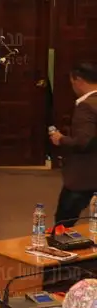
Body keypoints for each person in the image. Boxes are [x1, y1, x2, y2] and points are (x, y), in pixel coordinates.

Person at [50, 61, 97, 226]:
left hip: (84, 175)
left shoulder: (86, 106)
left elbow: (84, 141)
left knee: (63, 224)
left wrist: (60, 139)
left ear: (78, 80)